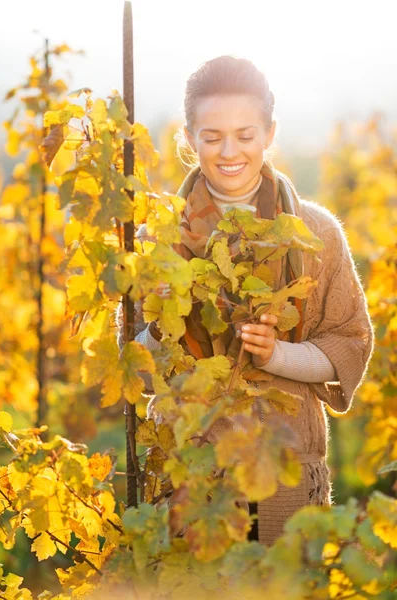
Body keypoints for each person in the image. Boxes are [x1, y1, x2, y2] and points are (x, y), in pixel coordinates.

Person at [116, 55, 374, 546]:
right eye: (211, 137)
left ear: (270, 133)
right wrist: (163, 322)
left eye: (245, 134)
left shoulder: (316, 232)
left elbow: (350, 345)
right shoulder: (156, 241)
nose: (228, 151)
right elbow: (132, 368)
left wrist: (278, 355)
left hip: (288, 482)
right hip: (190, 481)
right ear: (190, 139)